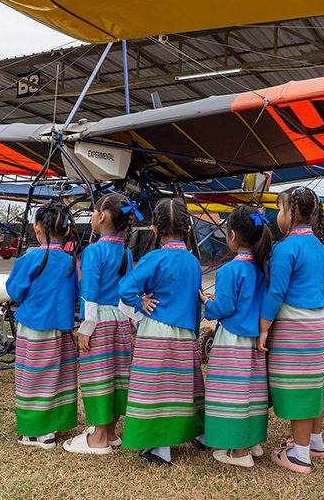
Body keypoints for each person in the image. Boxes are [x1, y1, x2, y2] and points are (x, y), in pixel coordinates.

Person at [118, 197, 205, 466]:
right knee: (182, 388)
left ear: (155, 230)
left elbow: (124, 288)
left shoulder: (154, 257)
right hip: (185, 334)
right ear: (187, 229)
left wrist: (139, 302)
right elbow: (196, 303)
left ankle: (160, 448)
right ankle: (200, 434)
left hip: (156, 333)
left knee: (155, 390)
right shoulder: (193, 262)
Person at [260, 187, 324, 474]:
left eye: (280, 208)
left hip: (293, 325)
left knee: (298, 388)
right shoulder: (320, 246)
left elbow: (275, 292)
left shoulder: (285, 248)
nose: (278, 215)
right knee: (314, 383)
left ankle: (300, 455)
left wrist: (264, 328)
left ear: (291, 212)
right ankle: (315, 442)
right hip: (319, 322)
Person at [63, 194, 136, 455]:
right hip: (121, 320)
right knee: (118, 377)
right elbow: (128, 293)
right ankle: (111, 432)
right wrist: (131, 322)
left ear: (102, 216)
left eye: (94, 212)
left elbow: (89, 291)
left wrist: (86, 327)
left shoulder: (94, 251)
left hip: (101, 322)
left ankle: (98, 438)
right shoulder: (126, 251)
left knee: (98, 377)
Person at [200, 205, 272, 468]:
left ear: (232, 236)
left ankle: (238, 452)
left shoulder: (229, 270)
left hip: (232, 341)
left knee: (232, 395)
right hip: (254, 341)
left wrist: (207, 304)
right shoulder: (263, 268)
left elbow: (225, 307)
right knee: (252, 393)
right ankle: (252, 442)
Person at [6, 201, 80, 449]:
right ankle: (55, 423)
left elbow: (14, 291)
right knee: (58, 376)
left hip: (35, 328)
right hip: (62, 329)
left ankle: (38, 432)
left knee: (34, 377)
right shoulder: (71, 262)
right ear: (67, 230)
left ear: (36, 228)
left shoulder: (31, 258)